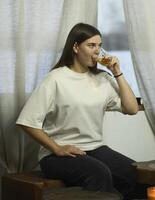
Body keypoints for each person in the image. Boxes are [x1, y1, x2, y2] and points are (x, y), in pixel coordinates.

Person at [16, 23, 147, 199]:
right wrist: (57, 148)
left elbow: (131, 109)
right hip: (57, 156)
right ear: (76, 47)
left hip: (95, 148)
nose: (97, 51)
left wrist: (117, 73)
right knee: (99, 173)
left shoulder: (103, 79)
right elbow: (27, 122)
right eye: (91, 45)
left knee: (137, 173)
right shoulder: (55, 79)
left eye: (99, 46)